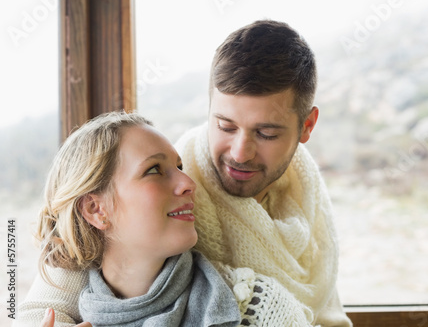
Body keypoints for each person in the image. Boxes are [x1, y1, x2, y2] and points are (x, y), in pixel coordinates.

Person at [17, 20, 352, 326]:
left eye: (266, 133)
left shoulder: (305, 202)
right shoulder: (162, 195)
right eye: (225, 126)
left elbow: (328, 313)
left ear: (306, 126)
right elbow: (53, 292)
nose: (239, 152)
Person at [16, 111, 313, 327]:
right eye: (155, 170)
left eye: (179, 166)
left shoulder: (260, 309)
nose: (188, 183)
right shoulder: (59, 313)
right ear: (96, 210)